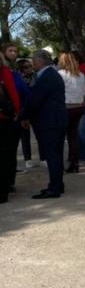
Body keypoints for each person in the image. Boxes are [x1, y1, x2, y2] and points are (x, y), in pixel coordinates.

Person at [21, 50, 67, 199]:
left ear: (40, 61)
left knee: (53, 155)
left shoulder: (47, 76)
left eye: (34, 60)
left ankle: (54, 188)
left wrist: (23, 115)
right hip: (55, 120)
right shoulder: (50, 75)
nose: (32, 64)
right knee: (56, 154)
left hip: (50, 122)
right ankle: (57, 184)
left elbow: (36, 99)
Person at [57, 52, 85, 173]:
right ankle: (74, 162)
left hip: (66, 107)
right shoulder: (81, 75)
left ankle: (60, 164)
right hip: (79, 106)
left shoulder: (60, 74)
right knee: (73, 136)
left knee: (60, 136)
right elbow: (84, 92)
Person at [0, 51, 21, 204]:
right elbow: (13, 94)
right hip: (4, 118)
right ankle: (4, 189)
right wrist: (16, 111)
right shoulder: (5, 72)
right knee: (5, 154)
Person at [15, 58, 36, 170]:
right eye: (26, 67)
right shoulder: (18, 79)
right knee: (25, 136)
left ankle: (43, 158)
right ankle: (28, 159)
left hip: (35, 110)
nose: (29, 69)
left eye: (30, 66)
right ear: (21, 69)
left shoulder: (36, 76)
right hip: (24, 111)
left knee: (39, 135)